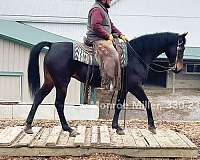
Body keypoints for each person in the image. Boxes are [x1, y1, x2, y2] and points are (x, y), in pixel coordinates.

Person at [85, 0, 128, 90]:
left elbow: (110, 25)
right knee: (114, 55)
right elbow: (95, 25)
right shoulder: (97, 9)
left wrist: (120, 34)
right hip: (96, 39)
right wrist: (107, 35)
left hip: (103, 38)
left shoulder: (103, 9)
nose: (111, 0)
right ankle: (107, 83)